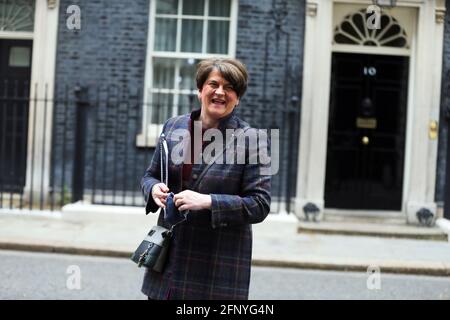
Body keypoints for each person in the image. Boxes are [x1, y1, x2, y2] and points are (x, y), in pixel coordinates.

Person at [140, 57, 271, 300]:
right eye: (214, 84)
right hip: (168, 264)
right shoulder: (173, 126)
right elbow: (150, 175)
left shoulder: (253, 140)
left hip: (215, 268)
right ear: (201, 89)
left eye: (230, 87)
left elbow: (260, 204)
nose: (221, 92)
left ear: (238, 97)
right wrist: (153, 188)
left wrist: (207, 201)